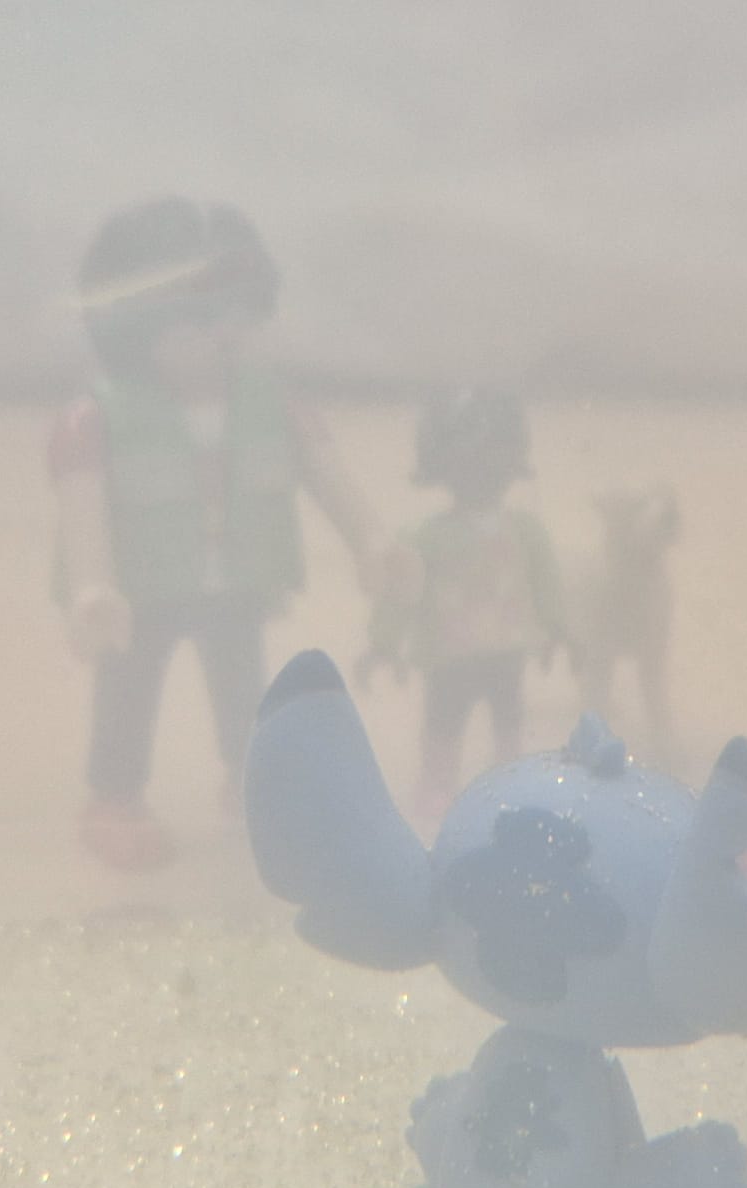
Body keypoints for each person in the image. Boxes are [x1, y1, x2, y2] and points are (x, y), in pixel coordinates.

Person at [50, 195, 398, 870]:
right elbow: (82, 507)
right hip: (140, 591)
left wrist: (372, 542)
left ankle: (249, 784)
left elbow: (326, 473)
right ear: (136, 327)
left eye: (238, 316)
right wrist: (92, 587)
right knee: (128, 693)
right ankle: (114, 799)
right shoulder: (97, 419)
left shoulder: (272, 404)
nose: (224, 336)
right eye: (198, 321)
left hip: (236, 578)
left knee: (245, 690)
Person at [365, 386, 567, 824]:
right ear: (443, 466)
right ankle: (438, 787)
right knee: (443, 724)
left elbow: (547, 582)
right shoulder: (427, 537)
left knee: (509, 722)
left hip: (506, 651)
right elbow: (404, 590)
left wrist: (558, 626)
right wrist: (383, 643)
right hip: (449, 655)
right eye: (468, 462)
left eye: (493, 458)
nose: (481, 472)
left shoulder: (525, 530)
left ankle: (509, 784)